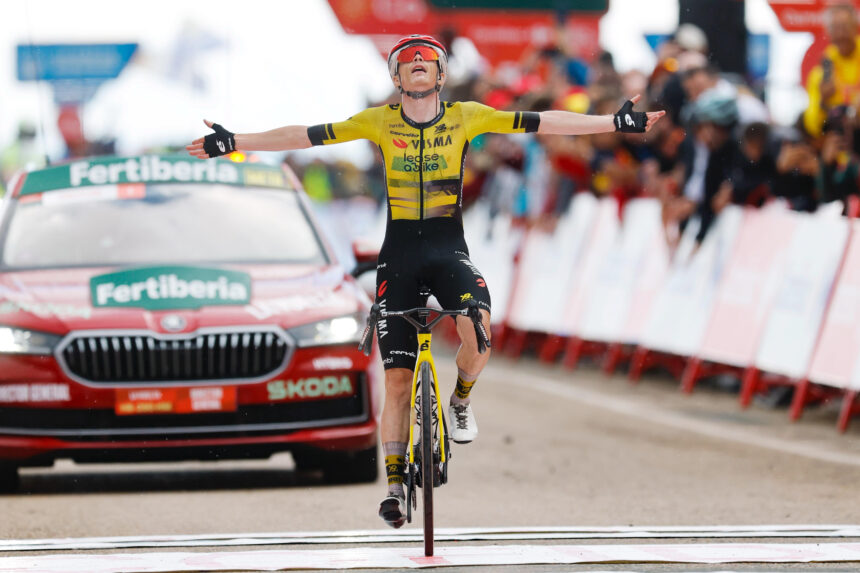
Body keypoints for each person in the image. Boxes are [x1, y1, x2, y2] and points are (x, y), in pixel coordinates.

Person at [186, 34, 664, 528]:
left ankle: (460, 401)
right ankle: (394, 487)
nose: (418, 61)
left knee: (478, 327)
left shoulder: (467, 116)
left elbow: (543, 122)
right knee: (396, 378)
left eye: (428, 57)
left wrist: (613, 123)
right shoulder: (377, 121)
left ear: (441, 73)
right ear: (396, 76)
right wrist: (236, 141)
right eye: (407, 59)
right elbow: (304, 136)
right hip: (399, 257)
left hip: (448, 251)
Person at [803, 4, 860, 137]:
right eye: (835, 28)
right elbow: (812, 126)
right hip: (843, 144)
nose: (841, 34)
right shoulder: (821, 74)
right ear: (828, 32)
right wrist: (823, 100)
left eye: (844, 27)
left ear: (855, 27)